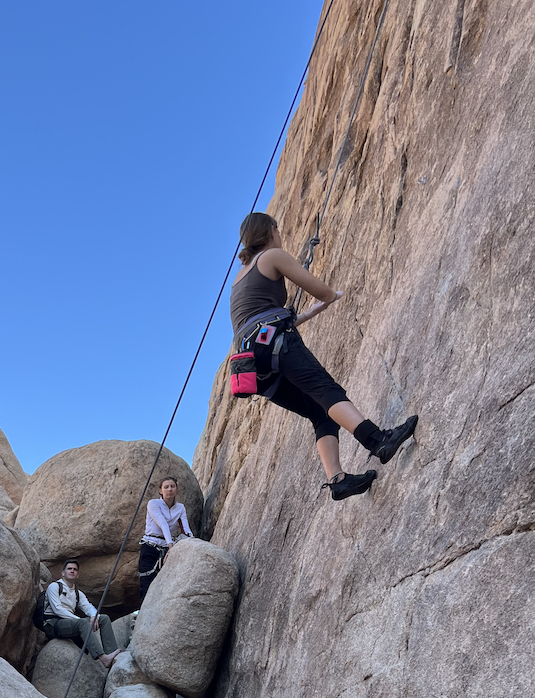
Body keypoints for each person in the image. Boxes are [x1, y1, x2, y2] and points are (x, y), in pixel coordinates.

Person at [230, 212, 418, 500]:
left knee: (318, 410)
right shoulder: (271, 256)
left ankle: (338, 479)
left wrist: (310, 312)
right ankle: (378, 440)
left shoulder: (238, 281)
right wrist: (329, 297)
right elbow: (320, 290)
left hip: (252, 364)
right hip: (275, 341)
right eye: (277, 230)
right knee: (326, 391)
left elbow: (260, 321)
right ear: (270, 231)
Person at [43, 559, 120, 668]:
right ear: (63, 573)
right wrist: (79, 620)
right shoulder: (54, 587)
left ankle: (112, 652)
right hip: (53, 623)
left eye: (75, 569)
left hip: (69, 623)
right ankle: (103, 658)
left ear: (78, 575)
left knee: (104, 618)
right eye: (69, 569)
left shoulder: (77, 593)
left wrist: (94, 616)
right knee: (82, 622)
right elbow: (57, 609)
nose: (72, 571)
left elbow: (88, 607)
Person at [138, 476, 194, 601]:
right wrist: (171, 546)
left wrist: (193, 542)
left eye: (172, 486)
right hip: (151, 545)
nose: (169, 489)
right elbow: (162, 523)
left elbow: (186, 529)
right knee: (146, 581)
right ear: (160, 491)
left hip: (167, 547)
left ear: (177, 489)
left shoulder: (180, 508)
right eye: (166, 487)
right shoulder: (153, 504)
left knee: (166, 584)